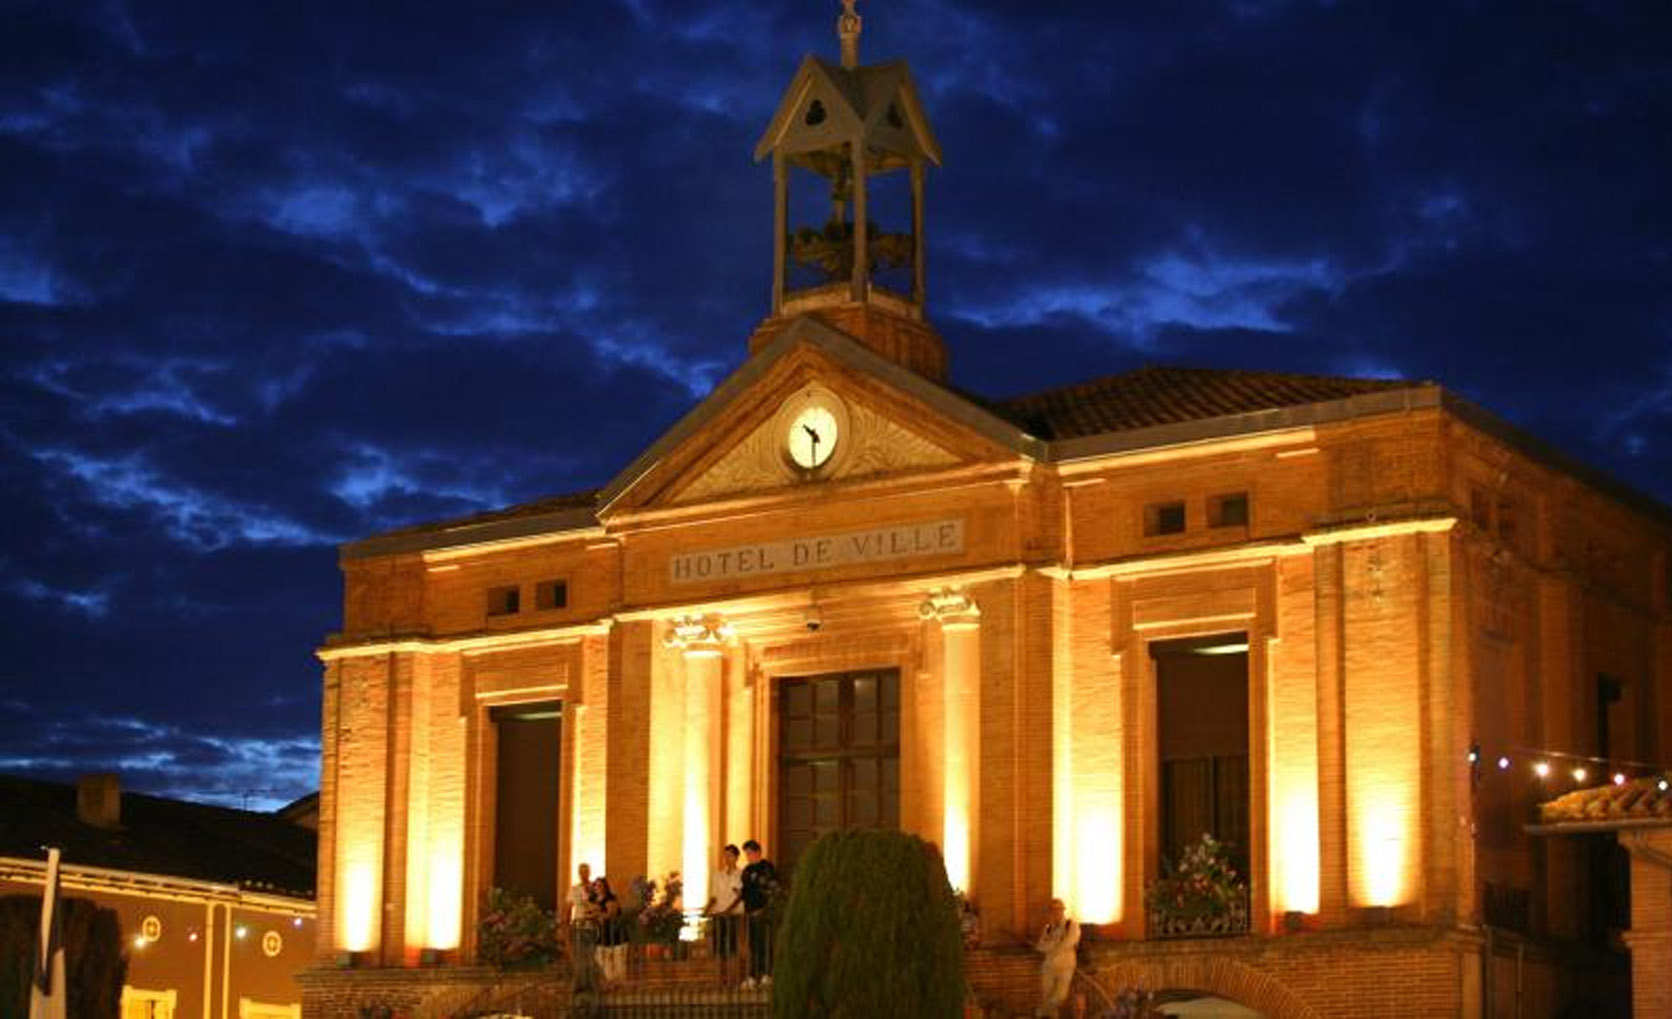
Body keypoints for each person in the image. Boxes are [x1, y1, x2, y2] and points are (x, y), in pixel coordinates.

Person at [738, 839, 778, 990]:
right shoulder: (747, 870)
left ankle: (768, 974)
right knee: (753, 945)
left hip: (763, 913)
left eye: (749, 853)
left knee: (765, 943)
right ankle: (753, 975)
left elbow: (772, 889)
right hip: (750, 912)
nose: (747, 856)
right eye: (746, 854)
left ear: (757, 852)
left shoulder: (767, 867)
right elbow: (745, 890)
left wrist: (765, 908)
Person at [1034, 898, 1079, 1017]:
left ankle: (1041, 1012)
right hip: (1049, 967)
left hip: (1065, 966)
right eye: (1052, 911)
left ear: (1062, 911)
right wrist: (1053, 944)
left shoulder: (1071, 925)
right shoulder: (1048, 929)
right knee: (1047, 994)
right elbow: (1040, 946)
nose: (1055, 913)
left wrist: (1053, 946)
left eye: (1057, 910)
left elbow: (1070, 941)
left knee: (1060, 996)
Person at [704, 844, 744, 966]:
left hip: (733, 915)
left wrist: (729, 910)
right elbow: (714, 896)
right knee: (718, 948)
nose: (727, 858)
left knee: (732, 947)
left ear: (736, 857)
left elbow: (740, 896)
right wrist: (707, 909)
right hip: (718, 915)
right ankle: (719, 977)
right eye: (725, 856)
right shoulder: (717, 875)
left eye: (730, 855)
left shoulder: (741, 875)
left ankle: (733, 976)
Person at [594, 876, 628, 985]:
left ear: (605, 887)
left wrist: (597, 914)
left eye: (599, 885)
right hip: (603, 935)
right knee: (601, 958)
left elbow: (611, 913)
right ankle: (610, 981)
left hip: (616, 934)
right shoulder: (594, 900)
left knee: (618, 961)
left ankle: (619, 983)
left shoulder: (611, 898)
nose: (597, 888)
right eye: (595, 885)